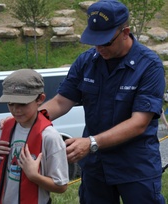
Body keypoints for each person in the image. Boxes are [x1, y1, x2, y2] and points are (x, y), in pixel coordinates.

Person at [39, 0, 166, 203]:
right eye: (94, 41)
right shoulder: (86, 61)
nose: (99, 48)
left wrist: (91, 143)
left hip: (135, 167)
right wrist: (30, 120)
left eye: (106, 41)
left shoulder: (149, 66)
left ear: (125, 32)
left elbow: (139, 122)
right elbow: (62, 101)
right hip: (96, 168)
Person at [0, 69, 69, 204]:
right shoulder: (6, 127)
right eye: (10, 103)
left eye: (22, 104)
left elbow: (61, 186)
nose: (16, 109)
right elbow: (6, 171)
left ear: (40, 99)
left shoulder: (50, 137)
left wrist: (34, 176)